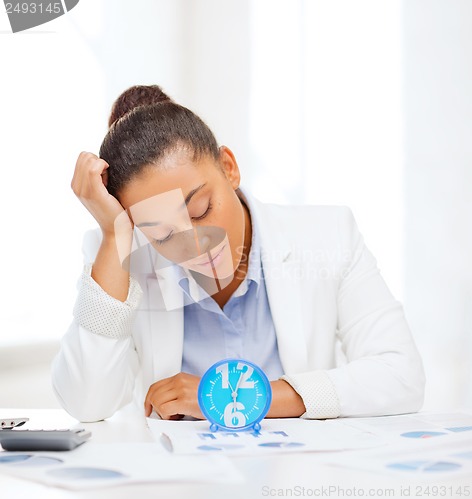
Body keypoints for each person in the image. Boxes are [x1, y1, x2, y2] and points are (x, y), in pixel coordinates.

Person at [52, 85, 425, 423]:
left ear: (229, 168)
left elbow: (401, 375)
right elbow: (87, 403)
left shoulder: (328, 234)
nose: (196, 243)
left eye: (200, 210)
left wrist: (241, 397)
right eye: (162, 233)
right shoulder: (124, 256)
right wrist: (115, 236)